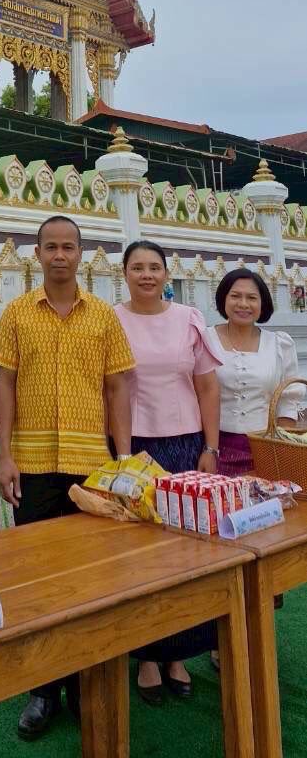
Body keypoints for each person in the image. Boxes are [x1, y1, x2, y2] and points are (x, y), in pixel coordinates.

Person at [0, 215, 134, 741]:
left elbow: (117, 390)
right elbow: (4, 386)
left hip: (90, 462)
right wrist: (4, 456)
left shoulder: (104, 318)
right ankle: (44, 688)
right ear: (38, 253)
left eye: (68, 247)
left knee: (92, 576)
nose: (59, 256)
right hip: (33, 464)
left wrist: (123, 457)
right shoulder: (18, 312)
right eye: (51, 247)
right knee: (38, 579)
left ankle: (87, 680)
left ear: (80, 254)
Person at [115, 240, 222, 705]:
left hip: (185, 446)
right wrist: (122, 456)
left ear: (166, 272)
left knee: (188, 551)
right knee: (140, 554)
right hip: (135, 445)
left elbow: (207, 386)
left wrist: (210, 448)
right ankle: (147, 657)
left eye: (154, 267)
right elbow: (112, 389)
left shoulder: (189, 320)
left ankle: (180, 653)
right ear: (124, 273)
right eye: (137, 267)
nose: (146, 275)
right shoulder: (111, 319)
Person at [204, 268, 304, 475]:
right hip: (212, 446)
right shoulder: (205, 339)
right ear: (223, 299)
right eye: (235, 296)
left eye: (251, 298)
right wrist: (209, 449)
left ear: (262, 303)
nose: (243, 304)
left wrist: (282, 448)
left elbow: (288, 399)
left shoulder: (279, 344)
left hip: (265, 446)